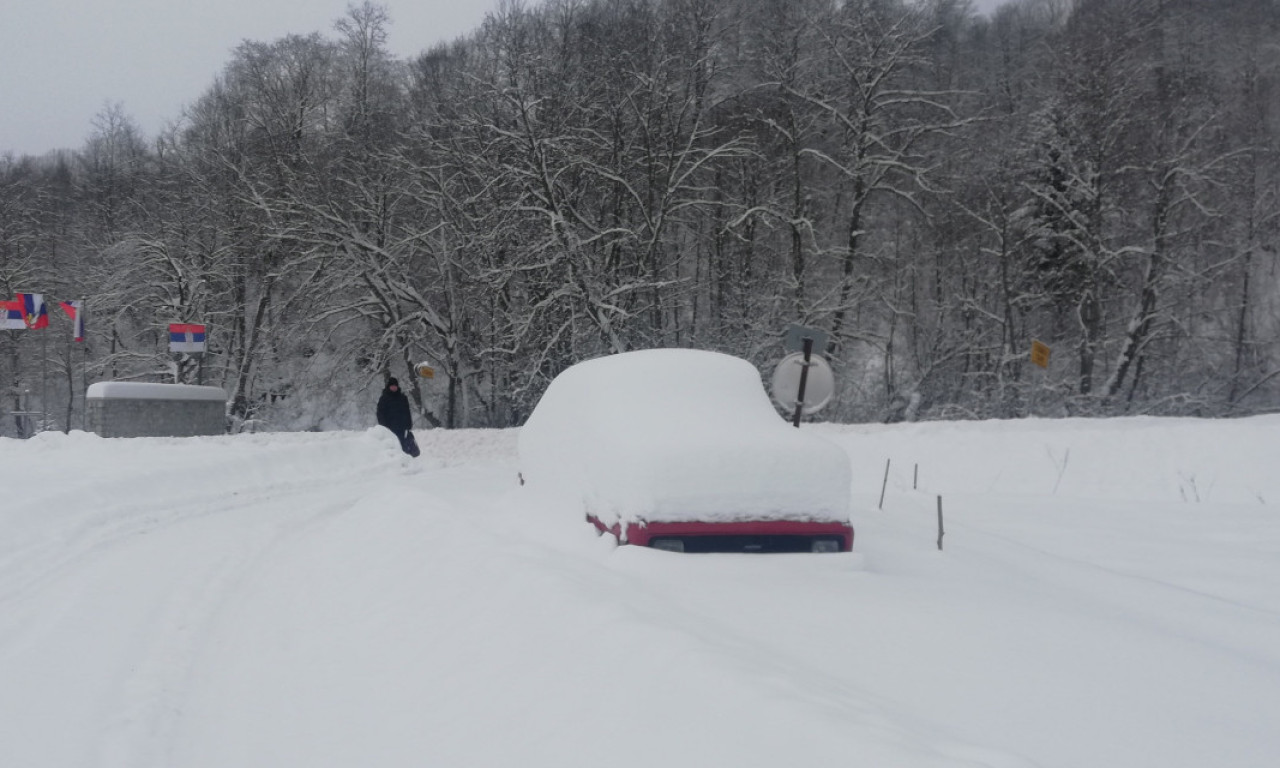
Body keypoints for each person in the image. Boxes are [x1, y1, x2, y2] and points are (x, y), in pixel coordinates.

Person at [376, 377, 417, 455]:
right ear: (389, 387)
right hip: (390, 428)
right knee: (393, 447)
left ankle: (405, 462)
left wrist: (409, 424)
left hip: (402, 427)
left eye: (395, 385)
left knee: (403, 446)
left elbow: (407, 411)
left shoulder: (403, 398)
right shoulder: (384, 398)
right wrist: (384, 426)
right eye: (392, 386)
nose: (394, 387)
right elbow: (380, 413)